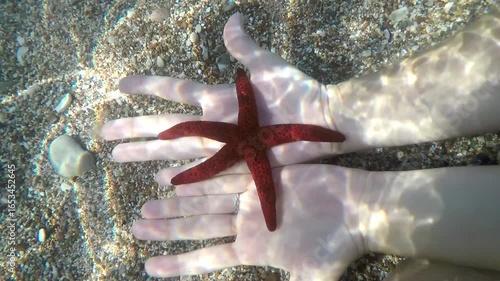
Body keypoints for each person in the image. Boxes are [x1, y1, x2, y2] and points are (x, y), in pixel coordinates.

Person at [101, 12, 500, 281]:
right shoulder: (243, 137)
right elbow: (236, 130)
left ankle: (369, 212)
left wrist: (334, 115)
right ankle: (366, 210)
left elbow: (248, 128)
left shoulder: (248, 135)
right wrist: (335, 113)